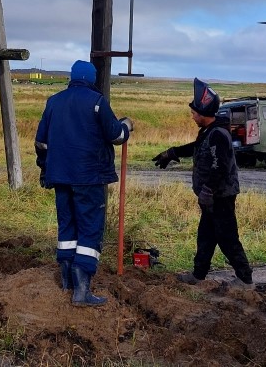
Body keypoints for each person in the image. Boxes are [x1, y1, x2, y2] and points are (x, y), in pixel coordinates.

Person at [35, 59, 133, 307]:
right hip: (89, 178)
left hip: (60, 177)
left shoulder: (53, 102)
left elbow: (41, 143)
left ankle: (67, 281)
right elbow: (116, 135)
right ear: (91, 79)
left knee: (67, 226)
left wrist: (44, 168)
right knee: (90, 228)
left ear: (71, 77)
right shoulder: (97, 102)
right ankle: (81, 291)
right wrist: (127, 126)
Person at [153, 78, 253, 288]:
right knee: (206, 237)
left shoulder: (218, 134)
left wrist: (207, 191)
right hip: (212, 196)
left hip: (221, 196)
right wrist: (172, 152)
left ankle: (245, 279)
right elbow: (196, 147)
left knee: (227, 238)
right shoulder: (209, 131)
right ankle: (198, 275)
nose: (192, 116)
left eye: (194, 112)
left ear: (203, 113)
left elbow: (220, 166)